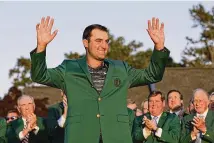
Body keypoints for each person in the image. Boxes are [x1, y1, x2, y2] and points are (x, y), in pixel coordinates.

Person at [30, 16, 170, 143]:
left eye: (106, 41)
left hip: (117, 137)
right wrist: (41, 46)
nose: (104, 45)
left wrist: (159, 47)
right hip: (80, 136)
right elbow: (39, 75)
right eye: (98, 41)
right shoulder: (69, 68)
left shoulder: (121, 69)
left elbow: (152, 75)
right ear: (85, 42)